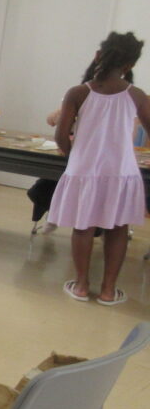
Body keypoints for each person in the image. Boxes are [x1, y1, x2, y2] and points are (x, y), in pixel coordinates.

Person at [49, 32, 149, 305]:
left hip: (84, 170)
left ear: (97, 56)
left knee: (82, 227)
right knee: (118, 228)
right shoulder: (137, 95)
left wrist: (74, 155)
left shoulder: (78, 92)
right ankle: (108, 290)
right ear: (130, 65)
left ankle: (81, 286)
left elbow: (61, 136)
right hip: (122, 172)